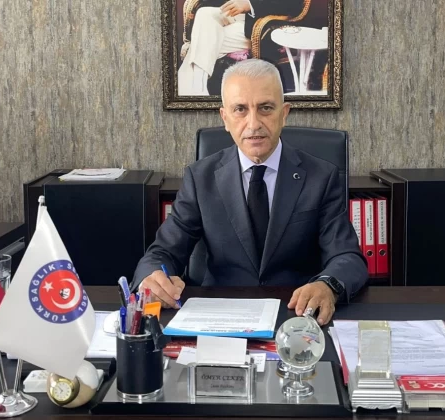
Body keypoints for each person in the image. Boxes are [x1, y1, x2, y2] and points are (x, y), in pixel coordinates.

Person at [135, 58, 368, 324]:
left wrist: (328, 285)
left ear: (284, 113)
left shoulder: (321, 177)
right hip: (220, 314)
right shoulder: (200, 178)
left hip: (295, 315)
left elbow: (347, 257)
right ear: (225, 118)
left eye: (265, 108)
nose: (253, 123)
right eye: (240, 109)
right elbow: (163, 252)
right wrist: (151, 278)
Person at [178, 0, 305, 95]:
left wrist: (250, 4)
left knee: (203, 39)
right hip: (238, 14)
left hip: (262, 24)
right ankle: (197, 89)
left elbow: (294, 4)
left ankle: (195, 90)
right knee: (204, 14)